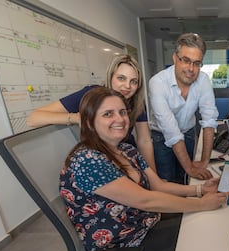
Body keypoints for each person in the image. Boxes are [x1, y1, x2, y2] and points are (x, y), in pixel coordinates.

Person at [59, 86, 228, 251]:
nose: (119, 119)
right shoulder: (88, 160)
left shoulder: (126, 150)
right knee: (200, 231)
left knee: (203, 220)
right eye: (108, 114)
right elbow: (145, 200)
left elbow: (159, 186)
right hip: (123, 249)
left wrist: (200, 191)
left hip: (144, 224)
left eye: (122, 112)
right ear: (89, 122)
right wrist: (202, 204)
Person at [27, 54, 156, 171]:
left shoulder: (137, 102)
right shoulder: (91, 95)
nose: (127, 86)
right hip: (100, 162)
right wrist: (76, 118)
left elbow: (144, 140)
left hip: (126, 156)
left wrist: (153, 178)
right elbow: (33, 118)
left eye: (133, 81)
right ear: (110, 77)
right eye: (121, 78)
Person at [148, 33, 219, 184]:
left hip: (187, 133)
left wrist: (205, 160)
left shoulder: (203, 80)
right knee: (167, 179)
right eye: (186, 60)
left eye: (197, 63)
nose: (191, 69)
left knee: (186, 179)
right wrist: (191, 167)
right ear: (175, 58)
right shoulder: (158, 83)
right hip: (161, 136)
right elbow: (171, 131)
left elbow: (209, 120)